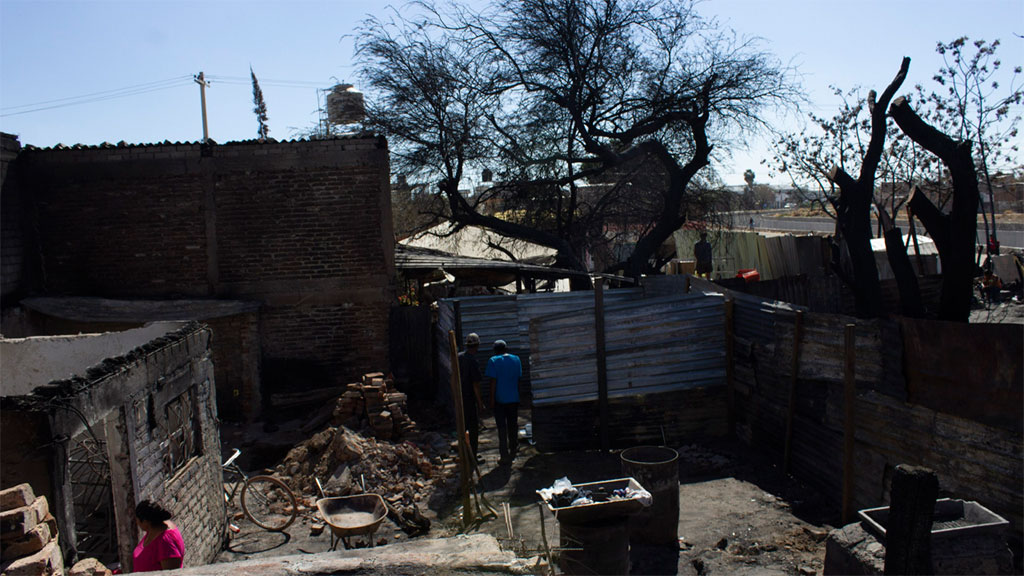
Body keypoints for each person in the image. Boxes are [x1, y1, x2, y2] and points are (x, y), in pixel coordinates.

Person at [485, 339, 522, 465]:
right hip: (513, 398)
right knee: (513, 425)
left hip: (500, 400)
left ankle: (504, 454)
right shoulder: (516, 359)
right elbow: (518, 379)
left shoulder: (493, 361)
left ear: (495, 350)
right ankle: (514, 448)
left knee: (502, 427)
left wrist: (491, 400)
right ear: (506, 349)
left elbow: (493, 382)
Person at [132, 500, 184, 572]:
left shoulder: (165, 542)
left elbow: (171, 572)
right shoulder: (153, 529)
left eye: (137, 520)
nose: (137, 523)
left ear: (145, 521)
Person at [458, 332, 485, 462]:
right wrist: (480, 403)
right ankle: (472, 457)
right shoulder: (473, 361)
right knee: (473, 430)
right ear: (477, 346)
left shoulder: (459, 358)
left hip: (460, 398)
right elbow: (476, 385)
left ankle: (465, 454)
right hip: (469, 399)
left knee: (463, 428)